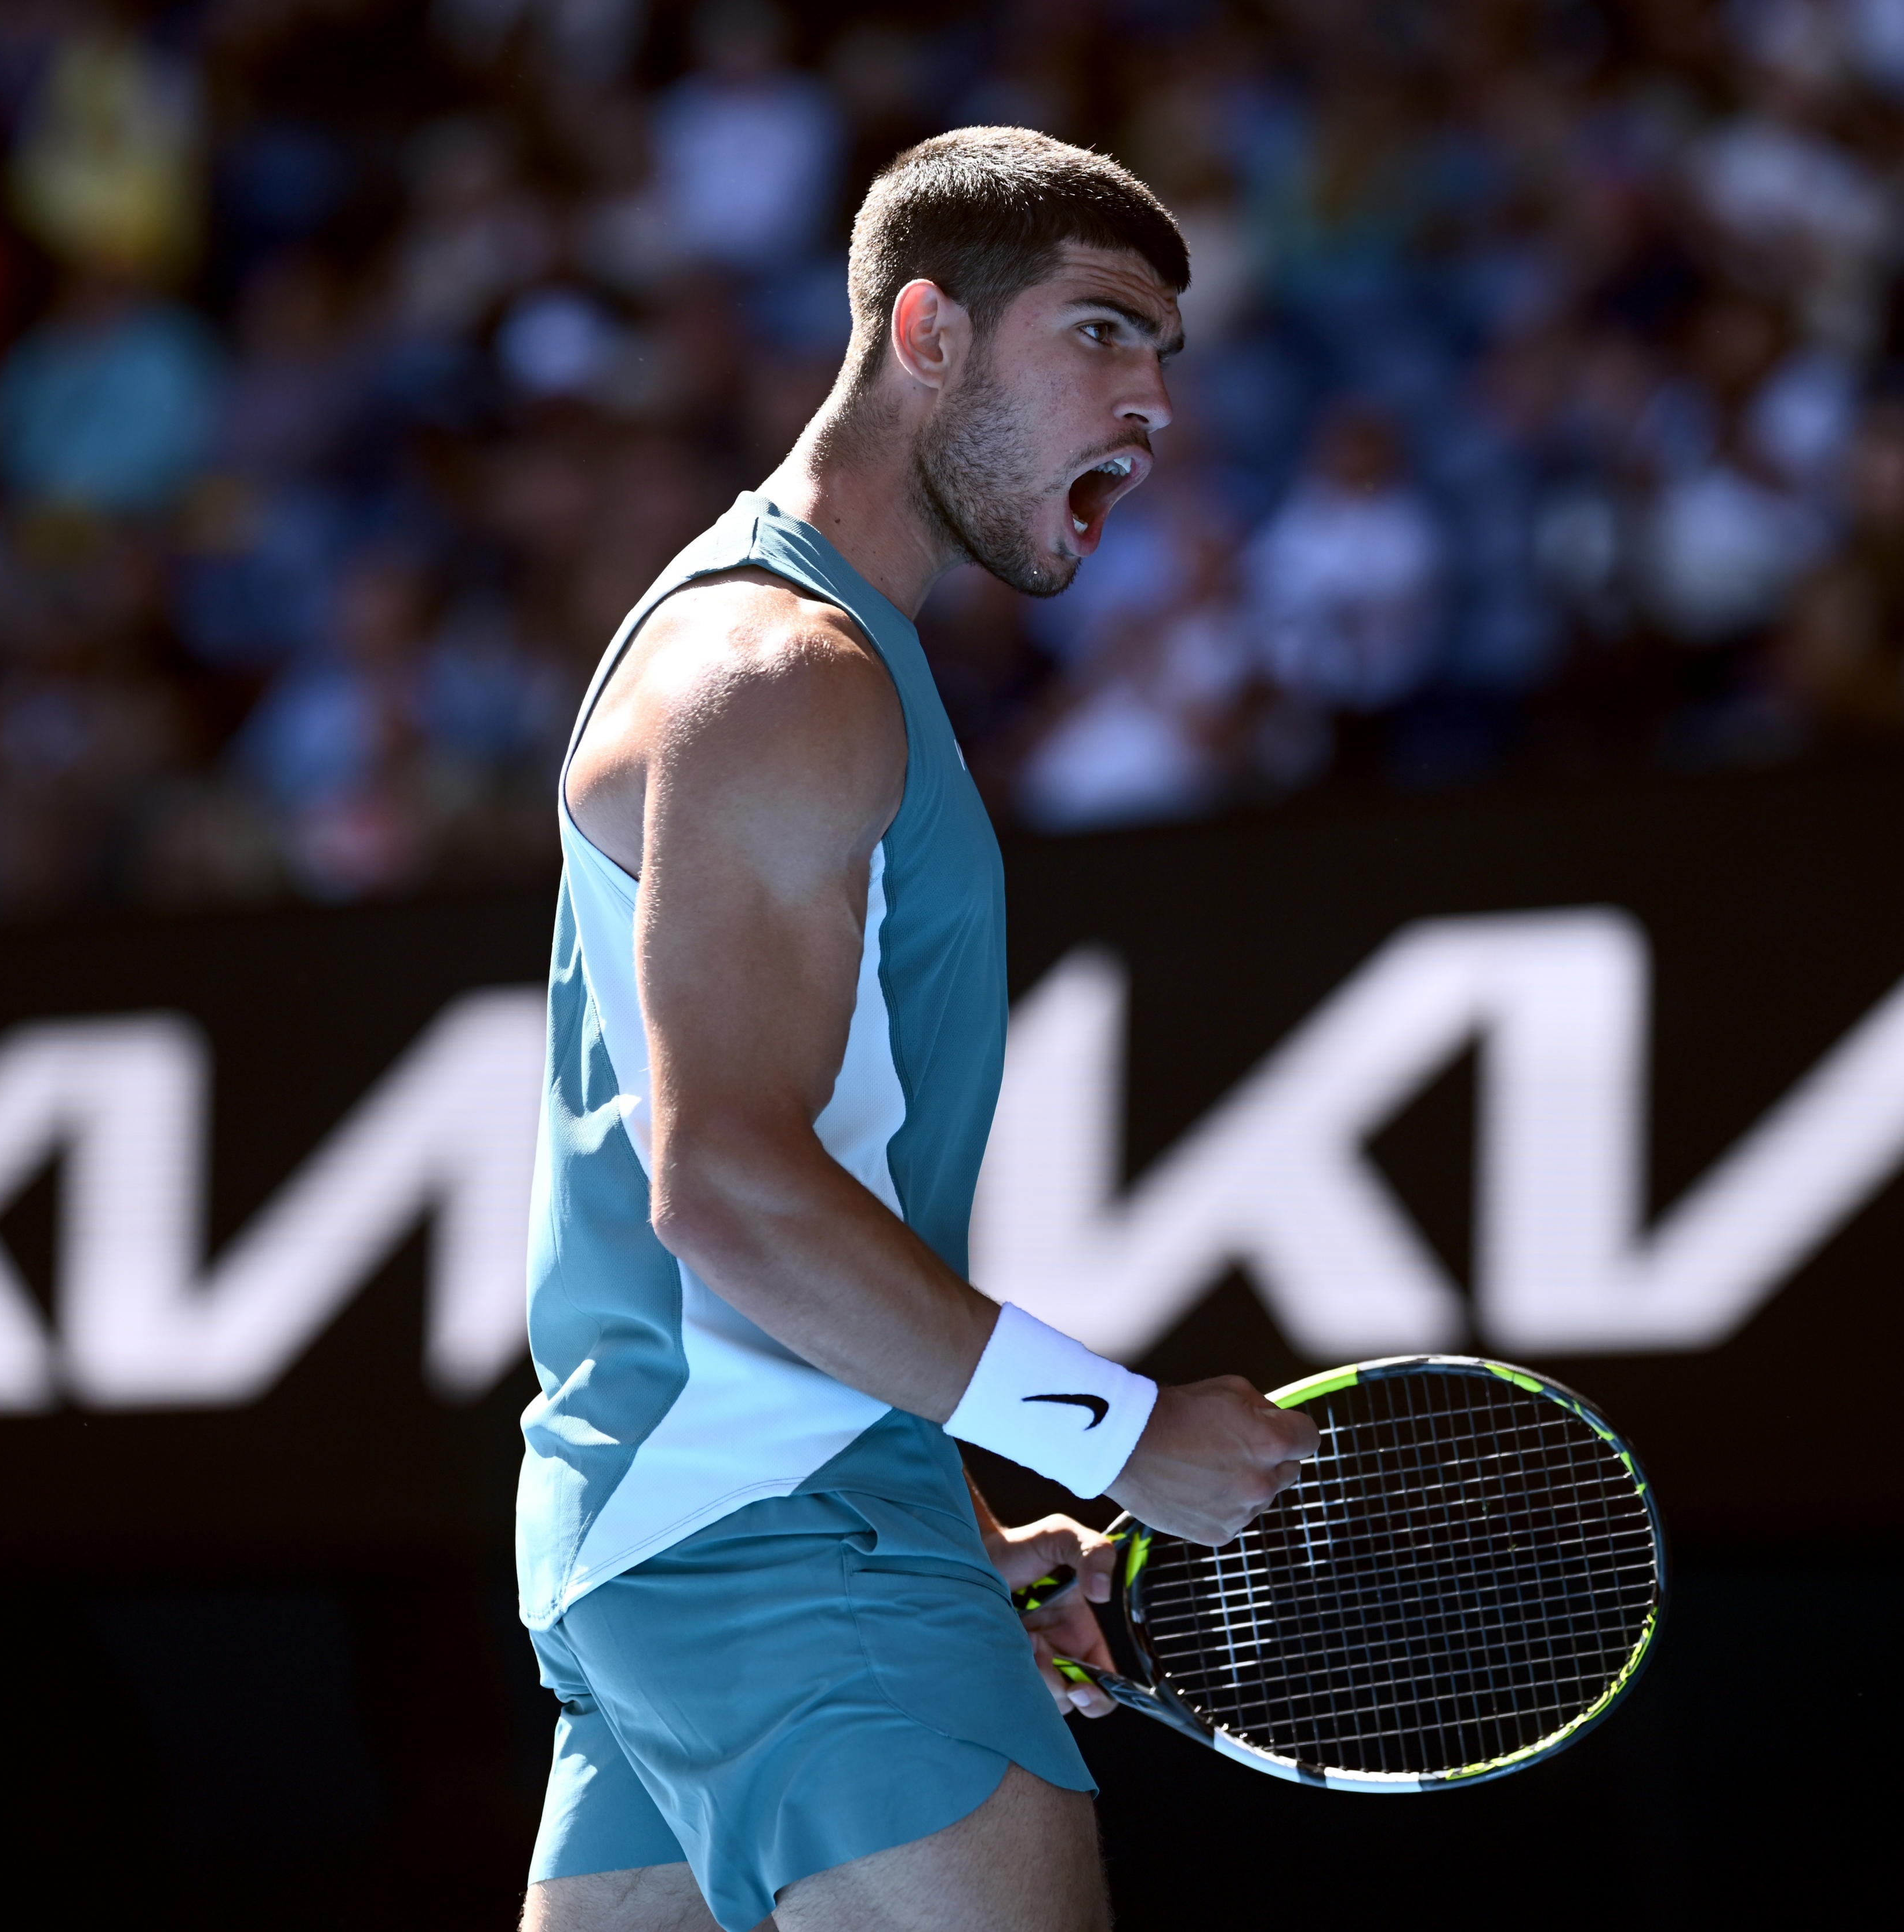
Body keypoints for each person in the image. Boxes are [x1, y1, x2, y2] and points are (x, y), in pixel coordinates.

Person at [517, 129, 1316, 1932]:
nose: (1154, 403)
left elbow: (791, 1200)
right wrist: (1114, 1437)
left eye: (1168, 357)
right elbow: (721, 1188)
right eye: (1103, 332)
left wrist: (957, 1519)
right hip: (785, 1559)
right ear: (927, 333)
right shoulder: (788, 676)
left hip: (668, 1549)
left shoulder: (774, 648)